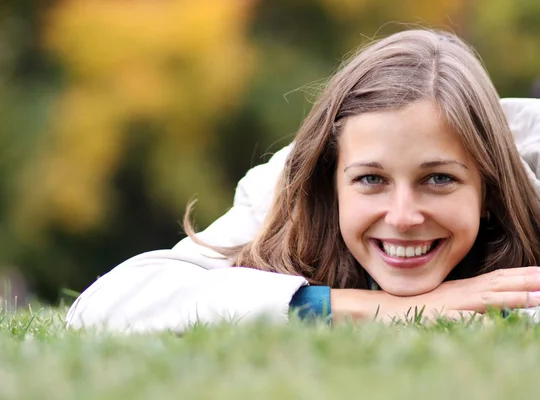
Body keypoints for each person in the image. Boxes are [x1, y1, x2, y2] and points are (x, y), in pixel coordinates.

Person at [66, 29, 540, 333]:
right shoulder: (288, 190)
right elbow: (100, 311)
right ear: (331, 186)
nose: (402, 216)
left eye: (438, 179)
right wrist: (350, 307)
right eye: (371, 180)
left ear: (488, 191)